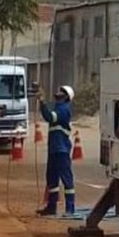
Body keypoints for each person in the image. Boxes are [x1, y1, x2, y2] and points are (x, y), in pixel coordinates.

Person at [37, 84, 76, 218]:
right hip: (54, 149)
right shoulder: (58, 108)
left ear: (66, 97)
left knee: (66, 179)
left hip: (61, 150)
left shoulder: (64, 109)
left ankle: (70, 209)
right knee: (52, 178)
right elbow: (49, 116)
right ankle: (51, 207)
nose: (58, 93)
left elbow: (49, 117)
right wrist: (42, 102)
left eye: (62, 92)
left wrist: (42, 101)